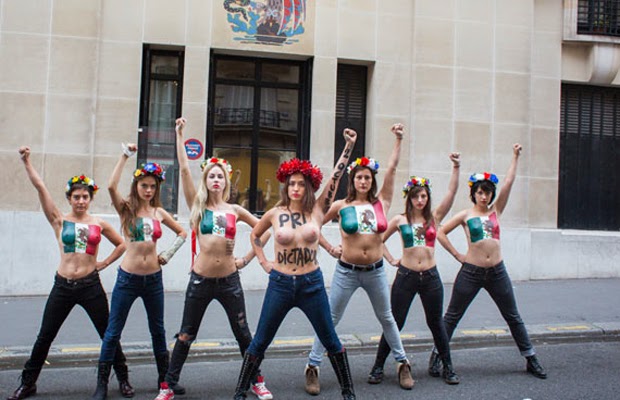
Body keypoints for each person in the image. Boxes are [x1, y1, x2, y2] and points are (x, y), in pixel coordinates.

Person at [232, 128, 358, 400]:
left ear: (309, 186)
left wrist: (348, 147)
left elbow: (335, 179)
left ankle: (348, 390)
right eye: (292, 184)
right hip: (280, 284)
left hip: (311, 284)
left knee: (330, 338)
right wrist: (264, 262)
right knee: (261, 340)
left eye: (301, 184)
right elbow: (255, 235)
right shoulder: (275, 213)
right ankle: (241, 390)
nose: (297, 188)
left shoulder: (317, 211)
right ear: (285, 187)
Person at [153, 118, 272, 400]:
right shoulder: (199, 206)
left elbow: (263, 231)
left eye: (220, 176)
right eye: (211, 175)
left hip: (230, 280)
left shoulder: (234, 209)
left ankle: (256, 381)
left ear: (226, 181)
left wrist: (246, 259)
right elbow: (183, 170)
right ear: (206, 180)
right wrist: (179, 134)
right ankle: (168, 386)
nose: (215, 180)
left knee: (243, 334)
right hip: (200, 280)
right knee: (185, 335)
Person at [10, 146, 133, 400]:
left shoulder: (98, 223)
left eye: (84, 197)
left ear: (90, 199)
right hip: (63, 287)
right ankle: (27, 383)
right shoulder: (59, 220)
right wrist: (27, 162)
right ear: (69, 199)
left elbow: (122, 244)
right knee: (45, 336)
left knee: (108, 334)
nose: (80, 201)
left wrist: (104, 263)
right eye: (76, 197)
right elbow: (41, 187)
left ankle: (123, 378)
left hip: (90, 287)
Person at [305, 123, 415, 394]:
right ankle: (312, 366)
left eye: (367, 177)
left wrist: (398, 140)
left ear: (371, 180)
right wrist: (330, 248)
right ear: (352, 180)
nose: (363, 181)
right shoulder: (341, 206)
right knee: (329, 318)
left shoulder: (382, 203)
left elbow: (391, 170)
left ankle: (403, 363)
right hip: (346, 271)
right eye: (359, 177)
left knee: (387, 318)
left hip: (375, 271)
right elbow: (313, 226)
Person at [428, 143, 547, 380]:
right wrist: (457, 255)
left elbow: (509, 184)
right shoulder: (465, 215)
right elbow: (438, 232)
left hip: (497, 272)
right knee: (452, 316)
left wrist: (515, 156)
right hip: (471, 272)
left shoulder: (496, 211)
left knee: (512, 315)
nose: (484, 196)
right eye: (480, 192)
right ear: (474, 193)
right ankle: (437, 356)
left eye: (488, 192)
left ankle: (530, 358)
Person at [91, 144, 187, 400]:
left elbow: (182, 233)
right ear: (137, 186)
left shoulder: (159, 212)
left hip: (153, 279)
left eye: (152, 186)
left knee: (158, 330)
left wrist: (167, 254)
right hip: (128, 279)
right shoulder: (127, 210)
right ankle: (102, 384)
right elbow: (111, 187)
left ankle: (164, 381)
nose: (148, 190)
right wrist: (124, 156)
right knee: (113, 331)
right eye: (144, 185)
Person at [368, 152, 462, 387]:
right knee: (395, 322)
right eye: (416, 196)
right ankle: (378, 366)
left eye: (423, 196)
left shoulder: (434, 218)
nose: (420, 200)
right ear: (409, 198)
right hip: (406, 276)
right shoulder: (400, 220)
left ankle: (448, 366)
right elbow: (378, 240)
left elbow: (450, 195)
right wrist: (391, 259)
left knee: (436, 323)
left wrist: (456, 168)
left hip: (430, 277)